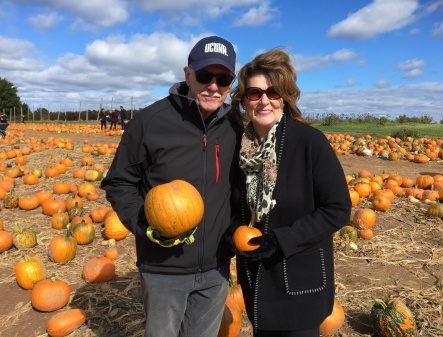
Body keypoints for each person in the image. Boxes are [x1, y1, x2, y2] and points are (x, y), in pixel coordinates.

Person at [101, 36, 242, 337]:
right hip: (162, 269)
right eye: (205, 76)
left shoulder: (236, 126)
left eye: (224, 78)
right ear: (188, 74)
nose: (214, 86)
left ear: (232, 82)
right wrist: (145, 224)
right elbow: (118, 182)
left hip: (216, 269)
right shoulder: (151, 121)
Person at [229, 49, 352, 337]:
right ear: (244, 100)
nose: (264, 100)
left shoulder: (310, 143)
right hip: (256, 281)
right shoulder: (240, 148)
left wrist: (281, 240)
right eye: (254, 93)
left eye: (273, 92)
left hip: (299, 282)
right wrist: (233, 231)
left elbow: (337, 209)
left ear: (284, 96)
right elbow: (237, 205)